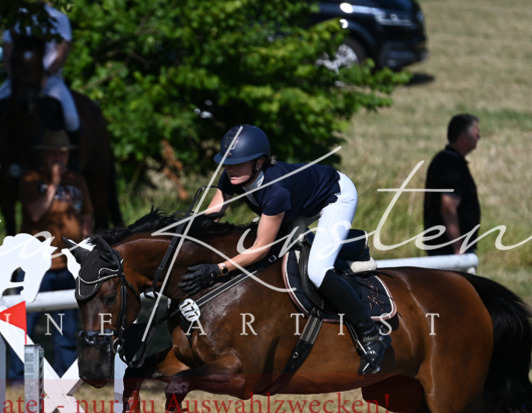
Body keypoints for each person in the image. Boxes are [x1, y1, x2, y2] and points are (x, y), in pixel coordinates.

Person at [181, 124, 389, 376]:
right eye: (226, 162)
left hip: (335, 196)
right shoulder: (232, 177)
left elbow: (260, 247)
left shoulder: (275, 191)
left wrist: (218, 269)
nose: (230, 168)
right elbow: (211, 216)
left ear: (259, 163)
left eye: (238, 162)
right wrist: (182, 232)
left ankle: (370, 334)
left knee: (317, 270)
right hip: (299, 202)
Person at [9, 128, 93, 378]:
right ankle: (17, 376)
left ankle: (65, 377)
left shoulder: (77, 180)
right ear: (43, 155)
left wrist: (87, 249)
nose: (60, 159)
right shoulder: (31, 179)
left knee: (66, 326)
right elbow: (35, 212)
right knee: (25, 323)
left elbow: (86, 215)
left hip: (68, 264)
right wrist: (54, 183)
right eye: (55, 154)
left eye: (64, 154)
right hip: (35, 265)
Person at [0, 2, 79, 147]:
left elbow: (62, 52)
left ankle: (73, 163)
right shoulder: (17, 18)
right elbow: (8, 52)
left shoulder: (59, 18)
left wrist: (47, 75)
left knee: (71, 119)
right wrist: (13, 76)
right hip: (19, 80)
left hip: (50, 80)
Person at [422, 114, 481, 256]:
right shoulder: (450, 164)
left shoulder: (448, 160)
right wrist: (458, 247)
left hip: (446, 247)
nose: (479, 137)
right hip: (448, 250)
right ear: (463, 137)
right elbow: (448, 207)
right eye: (476, 133)